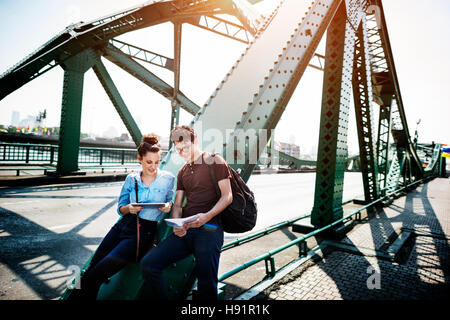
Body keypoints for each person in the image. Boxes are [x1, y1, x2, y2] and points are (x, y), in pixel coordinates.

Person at [71, 134, 175, 300]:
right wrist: (129, 208)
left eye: (156, 162)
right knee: (89, 270)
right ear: (140, 159)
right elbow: (120, 208)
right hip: (123, 226)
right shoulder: (131, 179)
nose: (153, 166)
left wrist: (168, 206)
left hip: (143, 234)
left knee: (97, 275)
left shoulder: (168, 179)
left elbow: (171, 201)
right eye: (149, 162)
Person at [140, 125, 233, 300]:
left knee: (206, 283)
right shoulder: (183, 172)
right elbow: (177, 205)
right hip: (186, 232)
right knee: (149, 264)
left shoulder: (215, 161)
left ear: (195, 141)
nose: (182, 152)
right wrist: (177, 223)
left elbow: (227, 196)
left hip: (209, 231)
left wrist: (207, 216)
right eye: (178, 150)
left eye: (185, 148)